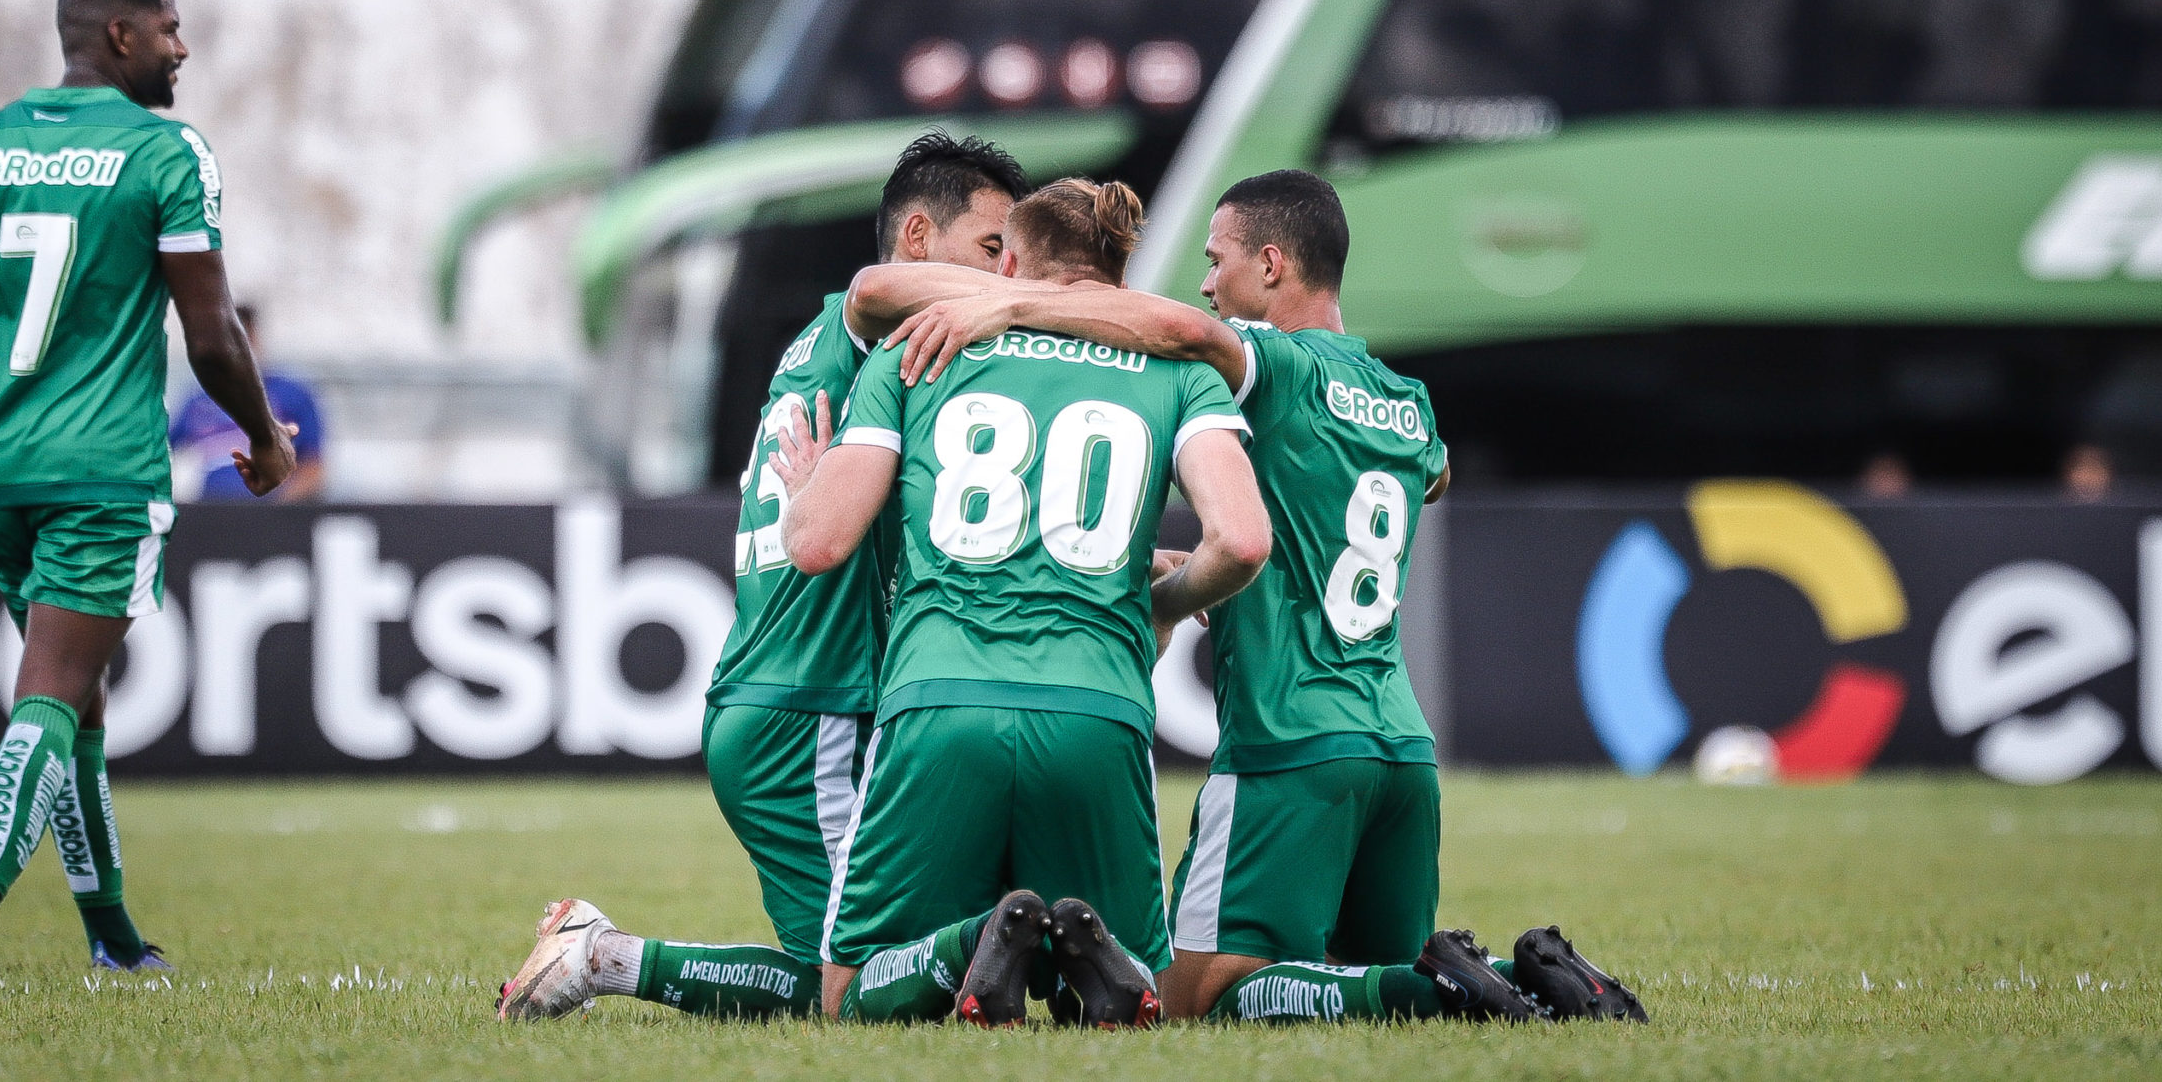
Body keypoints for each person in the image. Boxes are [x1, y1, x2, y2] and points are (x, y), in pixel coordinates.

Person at [861, 168, 1647, 1024]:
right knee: (1352, 972)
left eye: (1216, 258)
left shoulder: (1271, 364)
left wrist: (1010, 305)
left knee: (1195, 996)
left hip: (1288, 740)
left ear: (1271, 264)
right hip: (1399, 749)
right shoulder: (1407, 404)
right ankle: (1526, 971)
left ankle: (1443, 984)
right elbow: (1434, 479)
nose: (1205, 282)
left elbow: (1173, 329)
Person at [495, 131, 1030, 1023]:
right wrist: (1051, 301)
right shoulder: (863, 325)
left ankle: (607, 954)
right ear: (916, 237)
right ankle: (604, 957)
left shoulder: (836, 353)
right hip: (809, 707)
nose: (1005, 275)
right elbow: (874, 290)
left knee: (845, 970)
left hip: (795, 696)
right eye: (989, 250)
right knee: (850, 991)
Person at [0, 0, 297, 975]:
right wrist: (263, 438)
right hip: (106, 474)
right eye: (170, 28)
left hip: (2, 471)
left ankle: (114, 940)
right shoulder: (167, 153)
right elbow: (212, 335)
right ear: (119, 33)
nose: (184, 48)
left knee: (76, 707)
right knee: (51, 695)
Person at [794, 177, 1267, 1028]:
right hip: (1099, 708)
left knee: (846, 994)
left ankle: (979, 935)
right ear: (1120, 277)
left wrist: (805, 487)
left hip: (941, 700)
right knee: (1147, 992)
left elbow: (819, 542)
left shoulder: (919, 343)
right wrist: (1159, 605)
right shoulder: (1176, 370)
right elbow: (1241, 540)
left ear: (1007, 262)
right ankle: (1087, 962)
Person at [170, 305, 327, 501]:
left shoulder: (291, 394)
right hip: (213, 514)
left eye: (244, 341)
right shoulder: (198, 401)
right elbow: (162, 453)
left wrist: (277, 508)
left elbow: (315, 467)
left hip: (271, 515)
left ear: (255, 339)